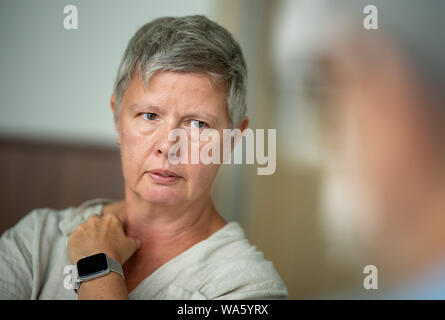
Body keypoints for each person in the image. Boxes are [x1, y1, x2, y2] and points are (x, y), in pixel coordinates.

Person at [0, 15, 287, 300]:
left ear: (235, 137)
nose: (167, 146)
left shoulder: (249, 287)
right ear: (117, 119)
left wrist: (97, 265)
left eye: (198, 124)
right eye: (149, 115)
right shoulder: (37, 239)